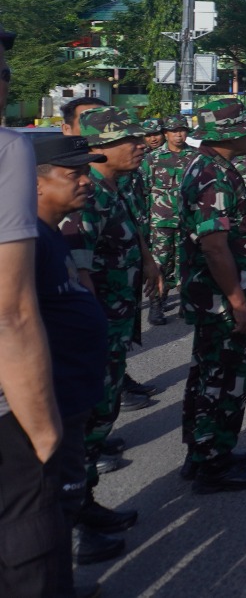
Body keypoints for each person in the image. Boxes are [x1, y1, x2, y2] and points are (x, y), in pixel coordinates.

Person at [24, 132, 114, 594]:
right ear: (36, 184)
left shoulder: (50, 234)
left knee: (61, 504)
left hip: (71, 395)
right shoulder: (29, 242)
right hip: (50, 402)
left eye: (86, 171)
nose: (86, 181)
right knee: (44, 513)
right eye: (73, 174)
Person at [60, 108, 159, 517]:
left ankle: (86, 498)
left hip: (115, 317)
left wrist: (148, 259)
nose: (140, 146)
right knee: (93, 409)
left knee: (105, 405)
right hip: (96, 323)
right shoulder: (89, 192)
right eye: (129, 141)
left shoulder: (111, 185)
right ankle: (79, 512)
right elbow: (77, 267)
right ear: (100, 148)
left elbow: (129, 229)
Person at [174, 98, 246, 493]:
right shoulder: (213, 174)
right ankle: (212, 464)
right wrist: (237, 301)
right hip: (221, 301)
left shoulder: (213, 167)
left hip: (215, 297)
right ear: (229, 133)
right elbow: (215, 246)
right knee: (223, 377)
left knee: (208, 376)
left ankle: (203, 453)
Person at [140, 114, 193, 327]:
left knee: (186, 263)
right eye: (173, 131)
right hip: (160, 222)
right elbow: (143, 191)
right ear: (166, 134)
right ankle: (156, 304)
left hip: (187, 221)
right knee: (160, 264)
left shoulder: (195, 157)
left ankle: (186, 304)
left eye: (182, 130)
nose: (178, 134)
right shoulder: (152, 159)